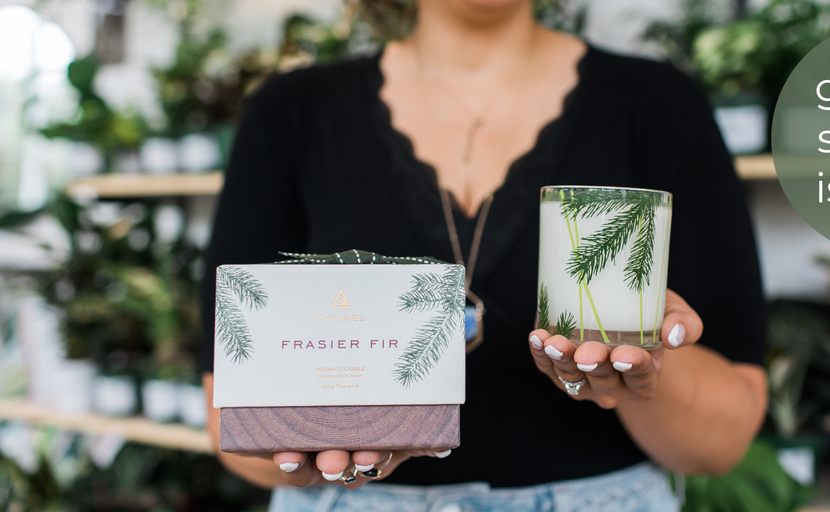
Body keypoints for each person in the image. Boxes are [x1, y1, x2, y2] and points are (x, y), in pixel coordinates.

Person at [201, 0, 768, 510]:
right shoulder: (292, 112)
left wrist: (640, 369)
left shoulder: (658, 104)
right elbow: (230, 420)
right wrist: (316, 437)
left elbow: (720, 443)